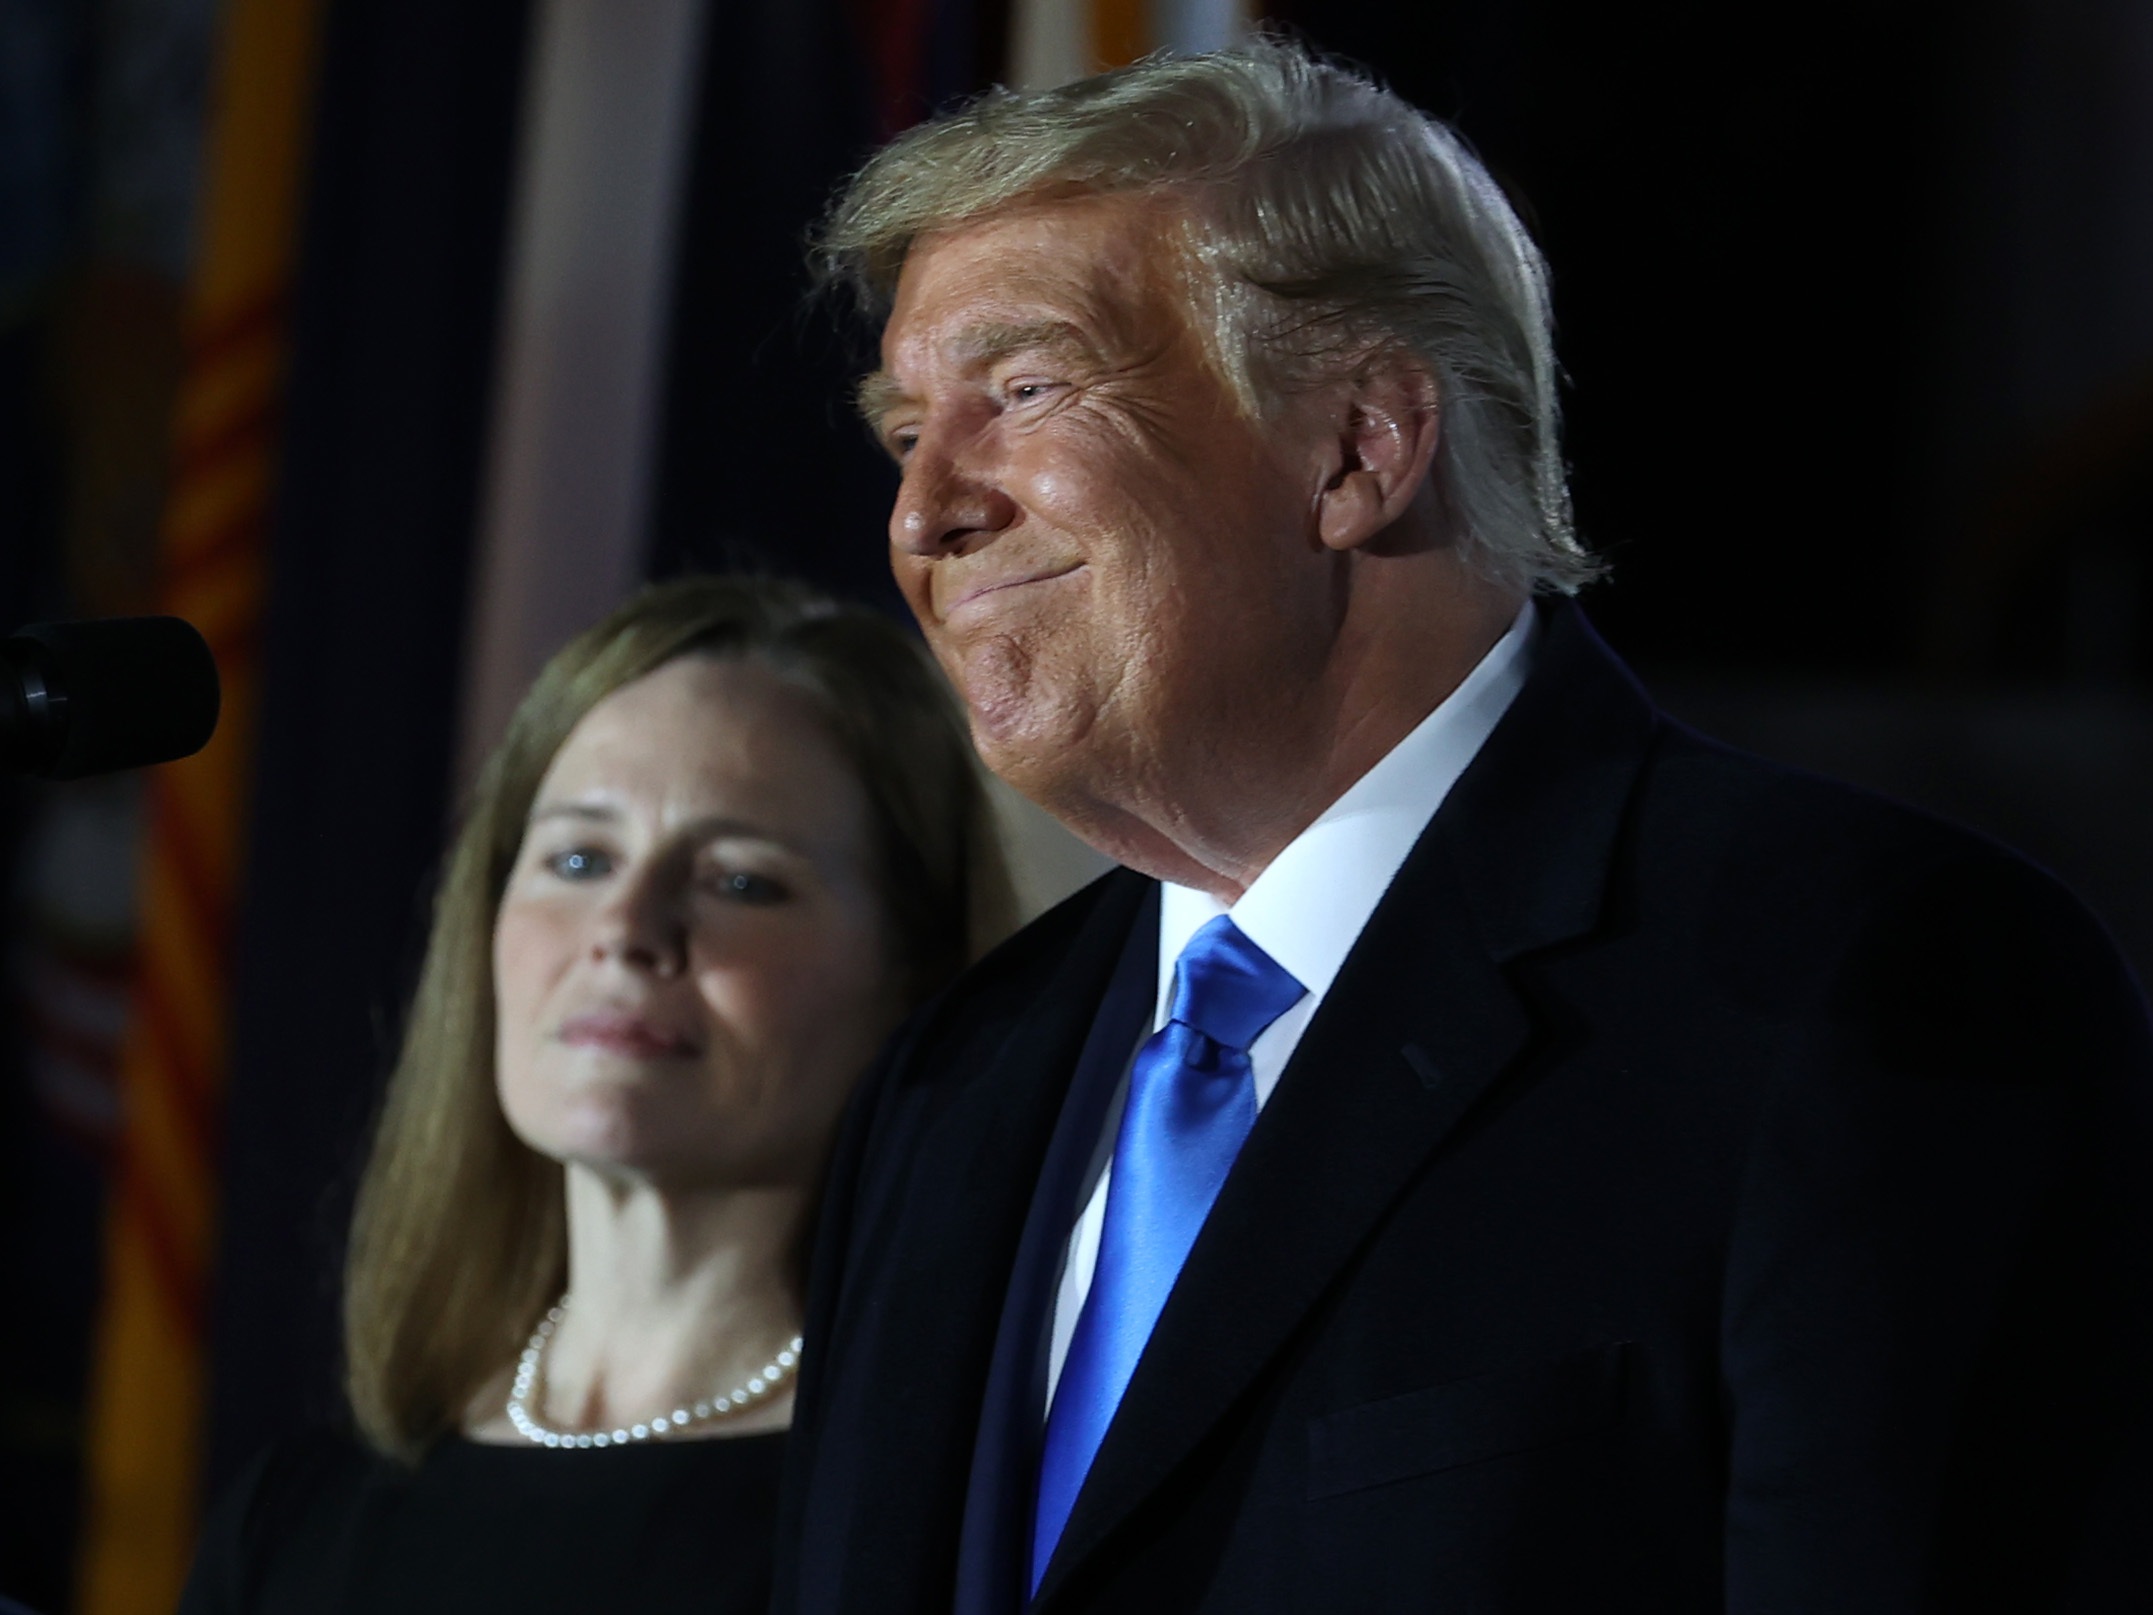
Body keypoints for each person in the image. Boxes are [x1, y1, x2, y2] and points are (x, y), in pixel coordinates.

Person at [772, 37, 2153, 1615]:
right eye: (902, 432)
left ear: (1360, 446)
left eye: (1023, 390)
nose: (921, 511)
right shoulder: (954, 1083)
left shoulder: (1856, 981)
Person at [180, 575, 1013, 1615]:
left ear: (911, 971)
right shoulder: (293, 1523)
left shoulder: (958, 1519)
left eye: (738, 880)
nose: (625, 925)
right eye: (578, 857)